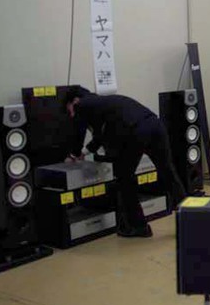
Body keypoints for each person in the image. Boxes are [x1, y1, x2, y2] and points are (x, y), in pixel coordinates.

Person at [65, 86, 186, 238]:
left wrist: (73, 155)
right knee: (168, 173)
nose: (72, 114)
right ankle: (191, 219)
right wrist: (84, 153)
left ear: (75, 101)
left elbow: (78, 132)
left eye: (69, 110)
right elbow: (100, 137)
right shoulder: (103, 103)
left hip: (136, 132)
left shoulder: (82, 105)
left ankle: (139, 227)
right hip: (155, 125)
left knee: (124, 178)